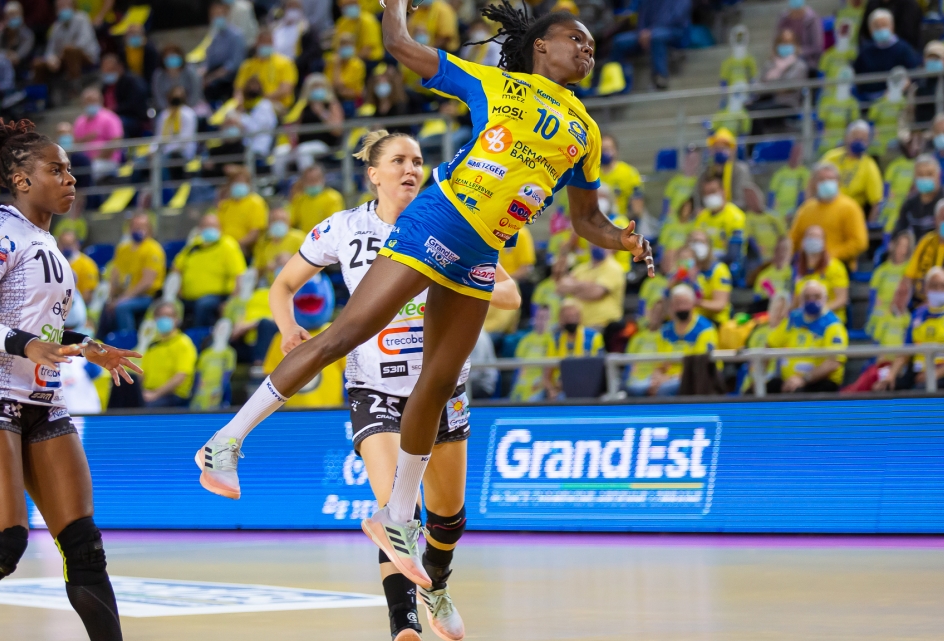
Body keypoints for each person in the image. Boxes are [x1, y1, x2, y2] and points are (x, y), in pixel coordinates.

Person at [198, 0, 653, 594]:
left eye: (593, 43)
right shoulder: (497, 84)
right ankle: (223, 443)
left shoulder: (586, 133)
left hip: (483, 252)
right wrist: (393, 9)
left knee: (437, 384)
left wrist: (620, 238)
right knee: (346, 334)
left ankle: (395, 518)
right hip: (438, 220)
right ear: (541, 46)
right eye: (576, 38)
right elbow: (404, 50)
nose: (588, 48)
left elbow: (586, 217)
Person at [200, 131, 521, 639]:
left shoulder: (455, 222)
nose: (411, 169)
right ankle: (405, 624)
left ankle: (436, 586)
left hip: (441, 389)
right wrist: (287, 327)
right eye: (398, 161)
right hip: (375, 387)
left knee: (448, 520)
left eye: (418, 160)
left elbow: (511, 294)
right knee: (398, 511)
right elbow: (283, 284)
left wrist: (458, 277)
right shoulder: (344, 228)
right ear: (373, 174)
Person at [0, 118, 140, 639]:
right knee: (5, 541)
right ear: (21, 179)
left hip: (42, 396)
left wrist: (87, 345)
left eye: (70, 171)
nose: (71, 179)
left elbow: (43, 326)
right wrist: (24, 343)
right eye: (56, 170)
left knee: (84, 545)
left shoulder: (46, 243)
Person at [875, 267, 944, 390]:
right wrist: (890, 376)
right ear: (926, 289)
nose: (939, 290)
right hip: (919, 371)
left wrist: (935, 374)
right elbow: (905, 353)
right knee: (884, 387)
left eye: (943, 286)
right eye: (934, 286)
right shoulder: (918, 314)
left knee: (923, 388)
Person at [767, 280, 848, 393]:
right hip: (788, 381)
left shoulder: (833, 325)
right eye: (807, 297)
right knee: (758, 390)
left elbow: (833, 363)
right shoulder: (792, 320)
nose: (811, 301)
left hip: (818, 382)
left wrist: (803, 379)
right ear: (801, 300)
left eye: (816, 296)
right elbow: (769, 345)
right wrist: (760, 376)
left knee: (798, 394)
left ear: (825, 299)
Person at [174, 214, 248, 327]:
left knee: (204, 305)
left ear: (220, 228)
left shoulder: (228, 245)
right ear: (199, 229)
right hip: (187, 297)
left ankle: (201, 336)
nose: (210, 229)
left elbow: (239, 275)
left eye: (213, 226)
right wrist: (177, 289)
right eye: (206, 226)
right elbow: (177, 267)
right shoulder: (194, 245)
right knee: (168, 307)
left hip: (218, 296)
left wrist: (231, 302)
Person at [789, 162, 868, 269]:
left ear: (838, 182)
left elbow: (859, 242)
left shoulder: (850, 207)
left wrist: (830, 255)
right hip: (806, 265)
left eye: (831, 178)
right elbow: (793, 239)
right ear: (814, 183)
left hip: (838, 265)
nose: (826, 182)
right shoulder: (806, 209)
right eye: (822, 179)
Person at [104, 213, 166, 334]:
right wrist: (111, 297)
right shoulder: (123, 249)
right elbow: (114, 275)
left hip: (146, 296)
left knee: (122, 307)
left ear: (149, 229)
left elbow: (147, 282)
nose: (137, 229)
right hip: (124, 294)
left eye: (142, 226)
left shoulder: (153, 249)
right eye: (134, 226)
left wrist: (123, 298)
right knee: (106, 307)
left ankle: (128, 341)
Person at [608, 0, 691, 89]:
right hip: (647, 34)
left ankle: (660, 77)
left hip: (674, 32)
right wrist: (642, 32)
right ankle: (616, 79)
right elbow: (642, 18)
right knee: (619, 41)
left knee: (657, 37)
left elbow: (675, 18)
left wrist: (651, 32)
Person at [656, 284, 719, 395]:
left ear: (693, 304)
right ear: (671, 306)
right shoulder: (666, 331)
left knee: (663, 390)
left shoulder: (705, 329)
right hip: (668, 377)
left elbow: (699, 365)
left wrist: (671, 377)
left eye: (684, 303)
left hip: (694, 379)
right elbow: (659, 363)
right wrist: (657, 378)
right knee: (641, 388)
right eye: (677, 304)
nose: (681, 308)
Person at [279, 74, 344, 178]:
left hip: (324, 145)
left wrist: (321, 112)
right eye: (314, 86)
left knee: (303, 151)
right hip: (302, 144)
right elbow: (296, 128)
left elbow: (337, 130)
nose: (317, 89)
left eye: (320, 86)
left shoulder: (331, 104)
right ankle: (280, 183)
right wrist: (292, 138)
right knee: (280, 152)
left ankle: (308, 180)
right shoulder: (304, 107)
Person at [893, 155, 944, 239]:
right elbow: (899, 233)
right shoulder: (909, 204)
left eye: (929, 174)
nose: (925, 178)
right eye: (920, 174)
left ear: (938, 176)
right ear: (914, 178)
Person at [747, 29, 809, 134]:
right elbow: (757, 85)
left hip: (786, 104)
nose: (785, 46)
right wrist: (773, 87)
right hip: (766, 100)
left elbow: (788, 87)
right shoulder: (770, 64)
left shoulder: (799, 66)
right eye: (782, 42)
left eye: (789, 42)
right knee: (746, 109)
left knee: (756, 112)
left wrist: (769, 85)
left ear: (795, 45)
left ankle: (753, 147)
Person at [544, 298, 606, 399]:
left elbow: (599, 370)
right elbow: (547, 375)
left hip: (588, 387)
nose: (570, 320)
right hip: (560, 390)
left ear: (580, 317)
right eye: (567, 317)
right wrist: (551, 390)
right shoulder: (554, 340)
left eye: (573, 316)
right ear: (561, 319)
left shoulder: (594, 337)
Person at [821, 120, 884, 219]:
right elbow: (813, 182)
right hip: (825, 207)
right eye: (855, 137)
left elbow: (876, 202)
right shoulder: (831, 157)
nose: (858, 141)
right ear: (846, 137)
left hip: (851, 214)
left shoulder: (869, 165)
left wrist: (870, 228)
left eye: (863, 138)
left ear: (868, 142)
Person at [140, 301, 197, 408]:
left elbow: (180, 377)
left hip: (173, 395)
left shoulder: (183, 343)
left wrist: (155, 394)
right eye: (161, 316)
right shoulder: (153, 346)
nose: (164, 319)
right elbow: (142, 375)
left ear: (176, 319)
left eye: (169, 316)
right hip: (150, 392)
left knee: (147, 407)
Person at [34, 0, 100, 92]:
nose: (63, 8)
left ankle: (75, 89)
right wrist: (51, 59)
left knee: (69, 50)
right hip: (63, 58)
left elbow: (84, 42)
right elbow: (50, 50)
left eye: (65, 5)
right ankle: (43, 97)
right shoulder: (56, 26)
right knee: (38, 63)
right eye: (60, 6)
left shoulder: (82, 18)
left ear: (73, 5)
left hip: (87, 56)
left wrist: (62, 53)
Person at [852, 10, 920, 97]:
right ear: (870, 29)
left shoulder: (904, 49)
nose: (880, 29)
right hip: (866, 98)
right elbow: (856, 73)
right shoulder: (865, 51)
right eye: (876, 26)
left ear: (892, 26)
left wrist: (898, 88)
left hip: (895, 97)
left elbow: (914, 74)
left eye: (884, 25)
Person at [557, 245, 626, 331]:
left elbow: (596, 293)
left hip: (604, 325)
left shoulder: (613, 268)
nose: (598, 246)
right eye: (594, 243)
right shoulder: (581, 268)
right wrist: (589, 285)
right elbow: (560, 287)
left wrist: (574, 288)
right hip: (578, 325)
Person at [794, 225, 850, 321]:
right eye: (810, 236)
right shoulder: (799, 268)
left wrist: (818, 311)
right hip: (804, 321)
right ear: (803, 242)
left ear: (824, 242)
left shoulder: (835, 267)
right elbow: (797, 301)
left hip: (829, 319)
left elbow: (842, 299)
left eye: (817, 237)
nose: (813, 240)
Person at [234, 30, 298, 111]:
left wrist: (262, 100)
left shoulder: (285, 63)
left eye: (268, 42)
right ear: (256, 43)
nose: (266, 45)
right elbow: (239, 89)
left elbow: (286, 90)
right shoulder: (247, 66)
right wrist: (239, 102)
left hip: (276, 105)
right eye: (263, 42)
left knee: (264, 107)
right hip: (249, 105)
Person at [71, 87, 124, 181]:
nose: (90, 104)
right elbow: (75, 144)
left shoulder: (110, 118)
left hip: (107, 162)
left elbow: (116, 142)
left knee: (90, 171)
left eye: (93, 101)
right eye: (87, 101)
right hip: (84, 163)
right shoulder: (79, 122)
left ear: (100, 101)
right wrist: (85, 139)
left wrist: (95, 159)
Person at [866, 229, 913, 336]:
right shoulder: (880, 271)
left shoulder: (910, 270)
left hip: (900, 314)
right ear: (892, 245)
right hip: (881, 314)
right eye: (900, 245)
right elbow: (874, 298)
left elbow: (908, 294)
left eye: (905, 247)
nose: (902, 251)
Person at [202, 2, 248, 104]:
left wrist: (212, 77)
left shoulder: (237, 36)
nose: (216, 18)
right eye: (214, 15)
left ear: (227, 14)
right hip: (214, 74)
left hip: (229, 79)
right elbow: (209, 59)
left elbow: (234, 64)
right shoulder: (215, 35)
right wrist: (202, 72)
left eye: (219, 14)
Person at [217, 168, 270, 253]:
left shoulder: (256, 202)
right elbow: (218, 228)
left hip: (246, 248)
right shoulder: (224, 205)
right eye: (235, 182)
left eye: (241, 182)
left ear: (248, 184)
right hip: (224, 247)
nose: (238, 184)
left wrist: (235, 245)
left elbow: (255, 233)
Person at [623, 299, 669, 397]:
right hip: (636, 379)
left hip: (656, 378)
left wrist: (657, 380)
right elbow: (629, 363)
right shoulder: (637, 337)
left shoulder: (666, 336)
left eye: (660, 312)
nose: (656, 315)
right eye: (654, 311)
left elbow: (666, 363)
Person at [510, 305, 553, 402]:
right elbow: (518, 368)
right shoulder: (525, 340)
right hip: (523, 385)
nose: (541, 321)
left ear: (550, 319)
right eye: (538, 317)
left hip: (541, 385)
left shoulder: (552, 340)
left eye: (544, 318)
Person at [706, 128, 756, 210]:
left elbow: (741, 201)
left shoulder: (740, 170)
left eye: (724, 147)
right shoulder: (707, 172)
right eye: (717, 148)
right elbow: (700, 199)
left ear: (733, 150)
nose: (719, 151)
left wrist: (721, 208)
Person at [289, 164, 345, 232]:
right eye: (309, 180)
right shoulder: (299, 199)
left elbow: (334, 223)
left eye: (315, 179)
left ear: (322, 179)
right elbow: (290, 221)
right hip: (305, 239)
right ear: (303, 182)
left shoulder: (333, 198)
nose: (312, 183)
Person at [600, 135, 643, 221]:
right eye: (602, 149)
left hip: (620, 222)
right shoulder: (590, 173)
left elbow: (637, 210)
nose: (605, 152)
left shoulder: (629, 173)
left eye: (608, 148)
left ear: (616, 150)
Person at [252, 206, 305, 273]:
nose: (279, 224)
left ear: (289, 222)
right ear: (268, 223)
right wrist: (267, 268)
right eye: (275, 220)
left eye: (282, 220)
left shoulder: (299, 237)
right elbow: (257, 269)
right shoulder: (264, 243)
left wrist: (290, 261)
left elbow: (311, 263)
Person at [152, 44, 202, 112]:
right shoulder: (158, 75)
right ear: (163, 59)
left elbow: (196, 92)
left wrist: (187, 109)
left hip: (191, 108)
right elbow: (158, 97)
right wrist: (169, 110)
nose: (172, 58)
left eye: (174, 55)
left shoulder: (190, 72)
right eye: (169, 56)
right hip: (167, 110)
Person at [775, 0, 823, 69]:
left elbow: (817, 47)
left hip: (806, 60)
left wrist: (798, 51)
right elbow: (776, 41)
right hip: (783, 58)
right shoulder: (783, 18)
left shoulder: (812, 19)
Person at [326, 32, 368, 111]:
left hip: (352, 99)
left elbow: (343, 86)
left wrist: (340, 89)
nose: (346, 47)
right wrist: (337, 66)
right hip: (333, 97)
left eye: (348, 44)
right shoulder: (332, 61)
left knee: (347, 106)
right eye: (343, 44)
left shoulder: (358, 65)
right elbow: (331, 85)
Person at [768, 143, 809, 219]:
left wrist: (797, 211)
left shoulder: (805, 174)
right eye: (794, 153)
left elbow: (805, 194)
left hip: (796, 210)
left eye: (798, 154)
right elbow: (772, 193)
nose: (796, 157)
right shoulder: (780, 173)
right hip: (779, 211)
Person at [57, 231, 99, 304]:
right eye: (63, 244)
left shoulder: (87, 264)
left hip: (77, 304)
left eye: (69, 244)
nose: (66, 248)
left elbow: (88, 295)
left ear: (77, 245)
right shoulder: (55, 262)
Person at [0, 2, 35, 77]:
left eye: (14, 15)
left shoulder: (28, 34)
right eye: (9, 16)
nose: (12, 18)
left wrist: (11, 55)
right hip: (4, 66)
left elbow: (20, 55)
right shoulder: (3, 33)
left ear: (21, 15)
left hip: (23, 67)